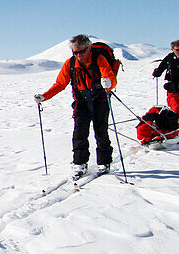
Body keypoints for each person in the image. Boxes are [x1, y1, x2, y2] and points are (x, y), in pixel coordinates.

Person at [34, 35, 117, 180]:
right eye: (75, 52)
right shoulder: (70, 64)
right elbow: (60, 84)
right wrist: (44, 97)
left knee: (101, 131)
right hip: (81, 102)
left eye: (81, 51)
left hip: (100, 99)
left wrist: (108, 83)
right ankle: (79, 163)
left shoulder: (99, 59)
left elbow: (109, 76)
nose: (78, 55)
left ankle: (104, 162)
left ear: (88, 48)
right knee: (79, 132)